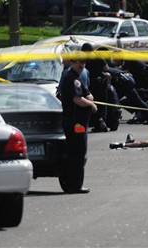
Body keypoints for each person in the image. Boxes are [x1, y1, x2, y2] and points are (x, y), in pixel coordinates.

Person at [60, 59, 97, 194]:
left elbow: (85, 94)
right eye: (78, 63)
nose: (81, 66)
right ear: (73, 63)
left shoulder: (75, 77)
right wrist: (91, 104)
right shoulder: (72, 78)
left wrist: (88, 98)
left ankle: (73, 184)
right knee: (77, 153)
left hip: (76, 121)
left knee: (76, 153)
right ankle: (75, 185)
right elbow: (77, 99)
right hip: (76, 122)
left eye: (83, 64)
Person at [82, 43, 111, 132]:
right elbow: (106, 68)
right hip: (101, 82)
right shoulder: (98, 56)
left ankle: (97, 123)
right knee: (103, 104)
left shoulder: (84, 59)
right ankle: (102, 121)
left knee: (93, 104)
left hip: (91, 83)